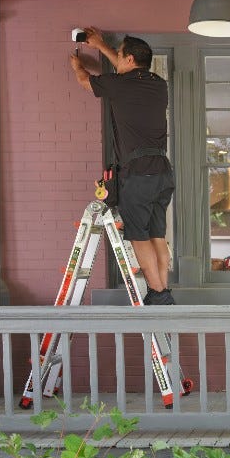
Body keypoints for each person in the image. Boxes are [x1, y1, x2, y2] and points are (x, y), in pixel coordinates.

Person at [70, 27, 175, 305]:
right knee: (156, 234)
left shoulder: (118, 84)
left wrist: (77, 65)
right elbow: (123, 67)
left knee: (139, 236)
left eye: (119, 54)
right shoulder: (158, 83)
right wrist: (102, 45)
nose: (116, 57)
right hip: (163, 171)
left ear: (129, 59)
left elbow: (84, 82)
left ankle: (158, 292)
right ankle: (163, 290)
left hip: (138, 174)